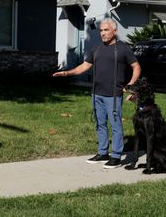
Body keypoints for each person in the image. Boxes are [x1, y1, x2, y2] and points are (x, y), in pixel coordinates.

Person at [53, 18, 141, 169]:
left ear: (115, 31)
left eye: (106, 30)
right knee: (100, 124)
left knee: (115, 125)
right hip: (97, 94)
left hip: (113, 95)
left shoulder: (123, 48)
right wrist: (67, 73)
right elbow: (84, 66)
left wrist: (131, 84)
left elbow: (136, 66)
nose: (103, 33)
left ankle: (116, 156)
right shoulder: (97, 49)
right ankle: (103, 153)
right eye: (101, 30)